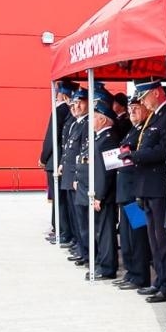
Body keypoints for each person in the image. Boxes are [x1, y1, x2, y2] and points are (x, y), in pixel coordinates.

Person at [121, 80, 166, 303]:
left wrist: (135, 156)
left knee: (161, 240)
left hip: (157, 186)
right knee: (153, 240)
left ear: (157, 93)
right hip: (142, 188)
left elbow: (163, 150)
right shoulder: (153, 117)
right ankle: (159, 280)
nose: (142, 103)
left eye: (144, 98)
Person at [113, 93, 152, 291]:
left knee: (137, 236)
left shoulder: (144, 130)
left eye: (136, 107)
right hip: (125, 190)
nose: (132, 111)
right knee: (127, 236)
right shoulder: (134, 129)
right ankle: (131, 272)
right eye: (130, 109)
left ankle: (140, 275)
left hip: (134, 191)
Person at [85, 94, 122, 280]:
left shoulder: (109, 139)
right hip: (100, 193)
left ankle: (107, 267)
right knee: (100, 230)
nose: (90, 121)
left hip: (106, 195)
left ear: (102, 119)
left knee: (106, 231)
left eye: (93, 117)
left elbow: (108, 172)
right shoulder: (100, 137)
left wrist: (99, 195)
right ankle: (102, 262)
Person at [41, 80, 77, 245]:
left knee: (60, 199)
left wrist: (43, 158)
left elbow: (51, 137)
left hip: (56, 160)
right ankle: (60, 229)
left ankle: (62, 230)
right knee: (59, 199)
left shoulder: (60, 110)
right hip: (60, 160)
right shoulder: (67, 111)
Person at [62, 89, 92, 267]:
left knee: (83, 220)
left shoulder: (87, 124)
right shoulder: (75, 123)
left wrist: (76, 176)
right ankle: (81, 249)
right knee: (76, 218)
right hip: (71, 176)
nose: (76, 106)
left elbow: (84, 153)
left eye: (80, 102)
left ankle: (87, 252)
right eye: (73, 103)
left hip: (79, 178)